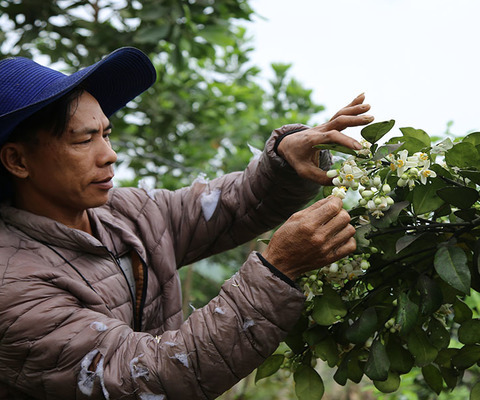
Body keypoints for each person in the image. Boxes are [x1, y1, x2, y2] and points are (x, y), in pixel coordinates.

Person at [0, 47, 373, 399]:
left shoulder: (125, 212)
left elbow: (228, 206)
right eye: (84, 140)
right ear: (18, 161)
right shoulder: (12, 288)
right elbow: (149, 377)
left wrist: (285, 164)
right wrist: (278, 270)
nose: (109, 155)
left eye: (106, 134)